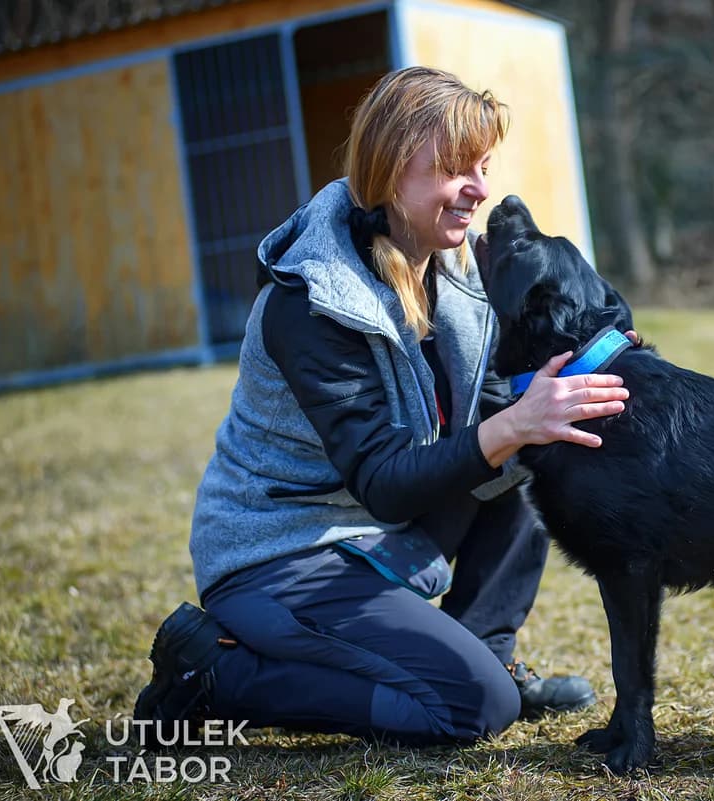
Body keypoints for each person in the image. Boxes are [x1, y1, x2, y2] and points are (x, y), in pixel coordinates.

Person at [133, 66, 632, 745]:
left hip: (367, 532)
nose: (480, 191)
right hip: (281, 557)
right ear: (395, 168)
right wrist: (515, 421)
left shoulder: (448, 268)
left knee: (533, 460)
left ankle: (487, 652)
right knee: (471, 709)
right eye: (458, 168)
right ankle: (218, 678)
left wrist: (585, 372)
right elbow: (385, 480)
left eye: (483, 167)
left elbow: (485, 413)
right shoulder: (310, 301)